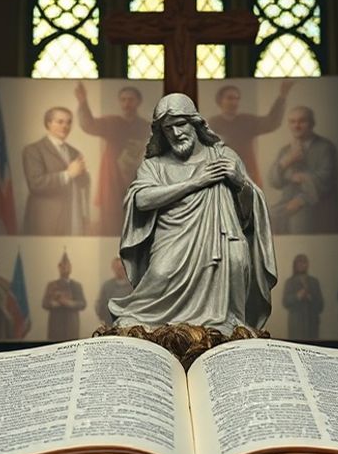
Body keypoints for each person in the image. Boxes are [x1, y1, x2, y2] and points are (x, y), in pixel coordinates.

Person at [110, 93, 278, 333]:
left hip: (222, 239)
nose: (176, 133)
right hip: (173, 240)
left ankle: (228, 322)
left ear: (196, 123)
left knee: (237, 261)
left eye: (181, 124)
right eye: (169, 128)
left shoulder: (223, 157)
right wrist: (195, 182)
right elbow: (142, 200)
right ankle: (140, 316)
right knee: (160, 272)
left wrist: (241, 183)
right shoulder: (154, 165)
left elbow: (251, 208)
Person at [75, 82, 150, 236]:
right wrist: (83, 103)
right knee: (111, 223)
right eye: (123, 100)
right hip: (113, 179)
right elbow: (89, 125)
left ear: (138, 102)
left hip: (137, 180)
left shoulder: (147, 127)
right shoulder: (112, 122)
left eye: (130, 99)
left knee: (136, 224)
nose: (126, 103)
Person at [268, 106, 338, 234]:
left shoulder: (325, 147)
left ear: (312, 124)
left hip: (315, 204)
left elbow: (326, 179)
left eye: (302, 121)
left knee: (299, 221)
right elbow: (274, 182)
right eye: (292, 122)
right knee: (266, 219)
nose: (297, 126)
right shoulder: (285, 150)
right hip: (287, 202)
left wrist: (301, 199)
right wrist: (287, 161)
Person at [207, 81, 294, 187]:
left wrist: (282, 96)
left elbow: (271, 122)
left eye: (237, 99)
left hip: (248, 175)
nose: (234, 102)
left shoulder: (246, 121)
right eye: (230, 98)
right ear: (220, 101)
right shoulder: (212, 124)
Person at [22, 107, 90, 235]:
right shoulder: (33, 150)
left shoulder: (74, 152)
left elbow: (81, 185)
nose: (65, 126)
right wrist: (68, 174)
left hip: (73, 219)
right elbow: (35, 184)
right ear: (48, 123)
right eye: (60, 122)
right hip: (46, 222)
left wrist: (84, 175)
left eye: (69, 122)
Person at [42, 253, 86, 341]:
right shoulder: (51, 285)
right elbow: (45, 304)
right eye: (63, 266)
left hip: (71, 326)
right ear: (59, 268)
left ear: (71, 268)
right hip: (56, 325)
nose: (65, 269)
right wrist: (56, 303)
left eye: (68, 266)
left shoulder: (77, 286)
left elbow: (83, 304)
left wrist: (69, 303)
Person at [282, 254, 323, 339]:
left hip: (312, 323)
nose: (301, 264)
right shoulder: (290, 282)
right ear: (295, 265)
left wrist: (309, 297)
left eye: (304, 262)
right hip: (296, 324)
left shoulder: (314, 282)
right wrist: (297, 296)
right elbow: (285, 302)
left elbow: (321, 305)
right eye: (299, 262)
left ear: (307, 264)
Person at [94, 258, 133, 327]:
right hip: (110, 323)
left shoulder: (132, 285)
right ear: (113, 269)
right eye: (118, 268)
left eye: (122, 268)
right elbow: (100, 304)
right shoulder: (107, 286)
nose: (120, 271)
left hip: (128, 323)